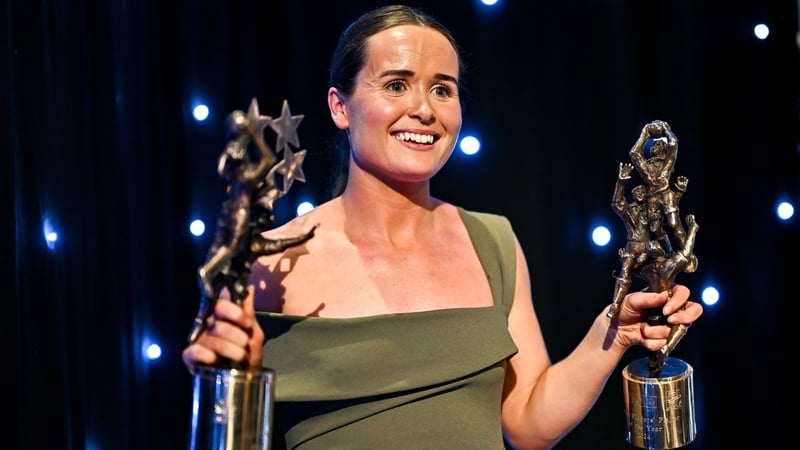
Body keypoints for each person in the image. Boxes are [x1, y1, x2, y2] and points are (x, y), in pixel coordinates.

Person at [182, 5, 703, 449]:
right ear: (340, 107)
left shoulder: (492, 241)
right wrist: (224, 377)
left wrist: (614, 333)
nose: (424, 109)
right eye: (396, 84)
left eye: (442, 90)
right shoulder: (272, 259)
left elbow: (527, 422)